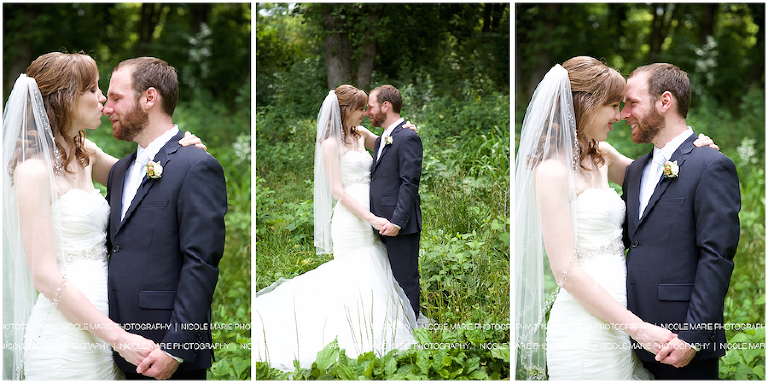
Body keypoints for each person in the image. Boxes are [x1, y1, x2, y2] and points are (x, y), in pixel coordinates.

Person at [514, 56, 718, 379]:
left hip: (621, 323)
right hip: (585, 326)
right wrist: (639, 329)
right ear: (586, 105)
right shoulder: (552, 171)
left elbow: (657, 179)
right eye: (613, 105)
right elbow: (565, 270)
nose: (620, 116)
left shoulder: (602, 156)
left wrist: (700, 154)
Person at [2, 52, 204, 379]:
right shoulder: (33, 171)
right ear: (64, 98)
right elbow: (44, 276)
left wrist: (183, 154)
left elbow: (148, 181)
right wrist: (120, 338)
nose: (102, 100)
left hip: (108, 322)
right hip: (66, 335)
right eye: (93, 89)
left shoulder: (85, 152)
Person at [253, 85, 417, 371]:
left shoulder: (361, 135)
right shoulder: (330, 144)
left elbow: (391, 143)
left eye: (367, 108)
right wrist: (371, 218)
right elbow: (338, 192)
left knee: (373, 273)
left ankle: (376, 325)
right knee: (352, 277)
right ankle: (350, 332)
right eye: (359, 109)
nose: (365, 114)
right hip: (352, 221)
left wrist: (406, 129)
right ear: (344, 111)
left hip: (374, 217)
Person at [103, 57, 227, 380]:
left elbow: (201, 262)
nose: (106, 108)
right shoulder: (118, 172)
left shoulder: (196, 165)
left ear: (149, 98)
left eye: (116, 98)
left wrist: (175, 347)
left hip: (166, 356)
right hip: (117, 350)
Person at [620, 63, 740, 379]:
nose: (623, 114)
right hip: (629, 339)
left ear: (665, 101)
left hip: (682, 346)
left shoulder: (711, 165)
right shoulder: (634, 171)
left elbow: (716, 258)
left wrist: (693, 337)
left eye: (632, 102)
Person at [366, 85, 423, 318]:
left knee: (404, 279)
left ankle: (411, 330)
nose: (368, 112)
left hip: (400, 225)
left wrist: (397, 222)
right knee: (386, 279)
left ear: (385, 106)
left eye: (370, 107)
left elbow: (409, 183)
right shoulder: (383, 140)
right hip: (379, 223)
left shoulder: (408, 137)